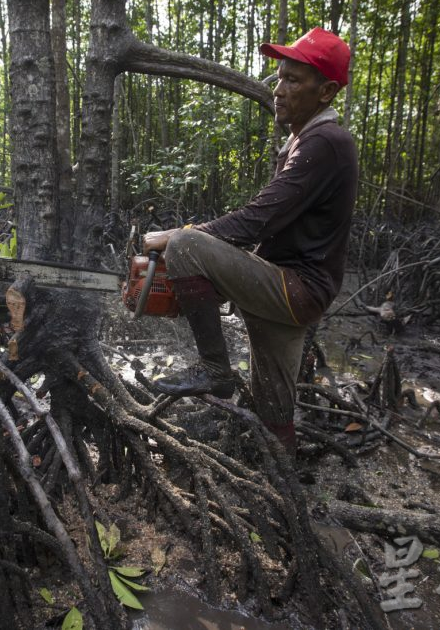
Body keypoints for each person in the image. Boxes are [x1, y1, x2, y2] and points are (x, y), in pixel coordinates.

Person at [142, 27, 359, 453]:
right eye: (279, 78)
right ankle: (280, 493)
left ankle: (214, 370)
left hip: (295, 287)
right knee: (273, 415)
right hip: (292, 287)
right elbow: (273, 226)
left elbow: (257, 221)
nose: (278, 90)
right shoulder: (304, 140)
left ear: (327, 91)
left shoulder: (326, 142)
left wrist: (176, 238)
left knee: (186, 245)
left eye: (293, 81)